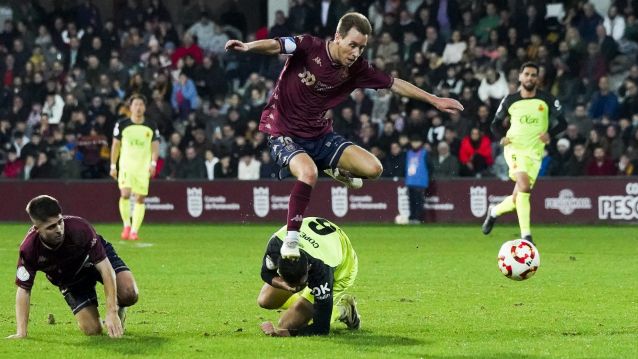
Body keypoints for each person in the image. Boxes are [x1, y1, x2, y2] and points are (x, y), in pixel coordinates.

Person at [225, 12, 463, 258]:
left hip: (319, 135)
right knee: (308, 173)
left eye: (362, 48)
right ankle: (291, 241)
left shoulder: (357, 69)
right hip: (283, 132)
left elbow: (394, 83)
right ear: (338, 37)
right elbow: (277, 44)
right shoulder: (309, 46)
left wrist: (434, 100)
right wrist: (247, 47)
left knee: (374, 169)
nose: (356, 53)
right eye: (352, 45)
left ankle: (336, 170)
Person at [7, 195, 138, 339]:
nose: (59, 229)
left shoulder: (80, 228)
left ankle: (119, 310)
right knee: (93, 329)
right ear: (37, 229)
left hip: (94, 262)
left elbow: (106, 270)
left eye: (60, 222)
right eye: (51, 227)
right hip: (70, 279)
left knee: (129, 293)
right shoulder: (29, 249)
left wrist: (111, 311)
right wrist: (21, 332)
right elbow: (24, 290)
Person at [482, 62, 567, 244]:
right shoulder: (510, 100)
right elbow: (495, 124)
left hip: (535, 153)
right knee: (524, 186)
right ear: (520, 77)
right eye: (526, 74)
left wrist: (549, 134)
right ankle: (526, 237)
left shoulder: (547, 99)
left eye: (533, 75)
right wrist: (502, 137)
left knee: (518, 197)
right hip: (515, 149)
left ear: (538, 78)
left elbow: (563, 123)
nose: (530, 78)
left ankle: (494, 211)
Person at [258, 217, 359, 336]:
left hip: (343, 268)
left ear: (308, 269)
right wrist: (283, 284)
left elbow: (321, 328)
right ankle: (304, 305)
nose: (297, 289)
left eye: (301, 284)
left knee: (286, 324)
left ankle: (343, 309)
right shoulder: (276, 247)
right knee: (265, 300)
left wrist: (282, 333)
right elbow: (266, 273)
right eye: (293, 286)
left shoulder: (322, 272)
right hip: (319, 243)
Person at [109, 94, 160, 240]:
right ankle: (126, 225)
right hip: (126, 166)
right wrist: (113, 165)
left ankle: (134, 231)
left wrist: (153, 164)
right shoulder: (122, 124)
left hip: (143, 167)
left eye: (141, 105)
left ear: (144, 107)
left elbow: (155, 146)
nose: (138, 107)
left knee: (140, 199)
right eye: (136, 104)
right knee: (125, 194)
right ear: (130, 107)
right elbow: (115, 145)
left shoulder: (151, 125)